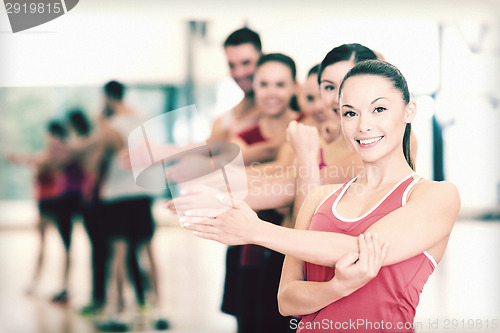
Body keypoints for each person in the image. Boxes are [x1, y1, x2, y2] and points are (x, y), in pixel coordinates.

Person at [181, 60, 460, 332]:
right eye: (350, 113)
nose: (363, 125)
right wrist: (335, 288)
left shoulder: (436, 196)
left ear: (409, 111)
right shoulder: (319, 199)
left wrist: (255, 230)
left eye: (379, 109)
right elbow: (286, 302)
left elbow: (360, 251)